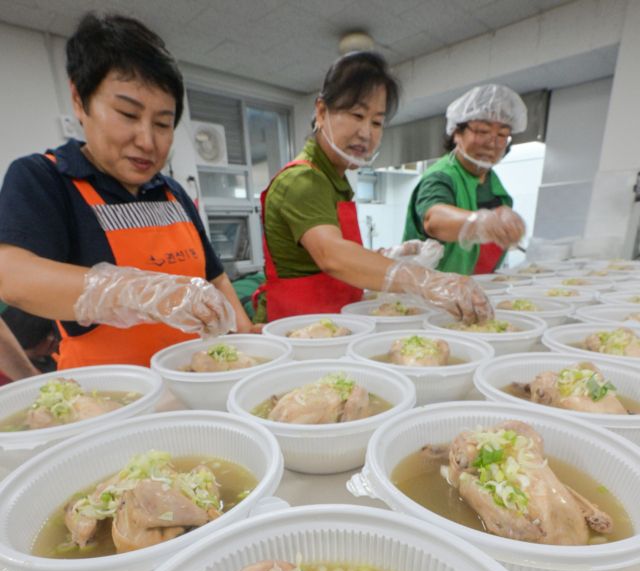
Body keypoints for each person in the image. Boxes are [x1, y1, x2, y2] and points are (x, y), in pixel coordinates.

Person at [0, 13, 252, 371]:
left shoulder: (173, 194)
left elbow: (216, 277)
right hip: (106, 400)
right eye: (128, 114)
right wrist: (146, 293)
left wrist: (244, 338)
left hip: (195, 385)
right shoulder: (44, 179)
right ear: (79, 99)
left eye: (163, 123)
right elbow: (14, 277)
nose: (147, 141)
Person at [255, 52, 492, 325]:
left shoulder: (333, 180)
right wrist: (425, 280)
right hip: (297, 328)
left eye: (377, 122)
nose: (366, 133)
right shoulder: (301, 180)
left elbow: (319, 256)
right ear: (322, 112)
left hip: (329, 323)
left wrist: (389, 256)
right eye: (357, 115)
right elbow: (332, 255)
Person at [403, 84, 528, 276]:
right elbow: (433, 220)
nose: (492, 142)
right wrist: (478, 222)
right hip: (433, 293)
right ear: (456, 133)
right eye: (482, 131)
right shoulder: (441, 176)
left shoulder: (494, 184)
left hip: (478, 288)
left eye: (502, 135)